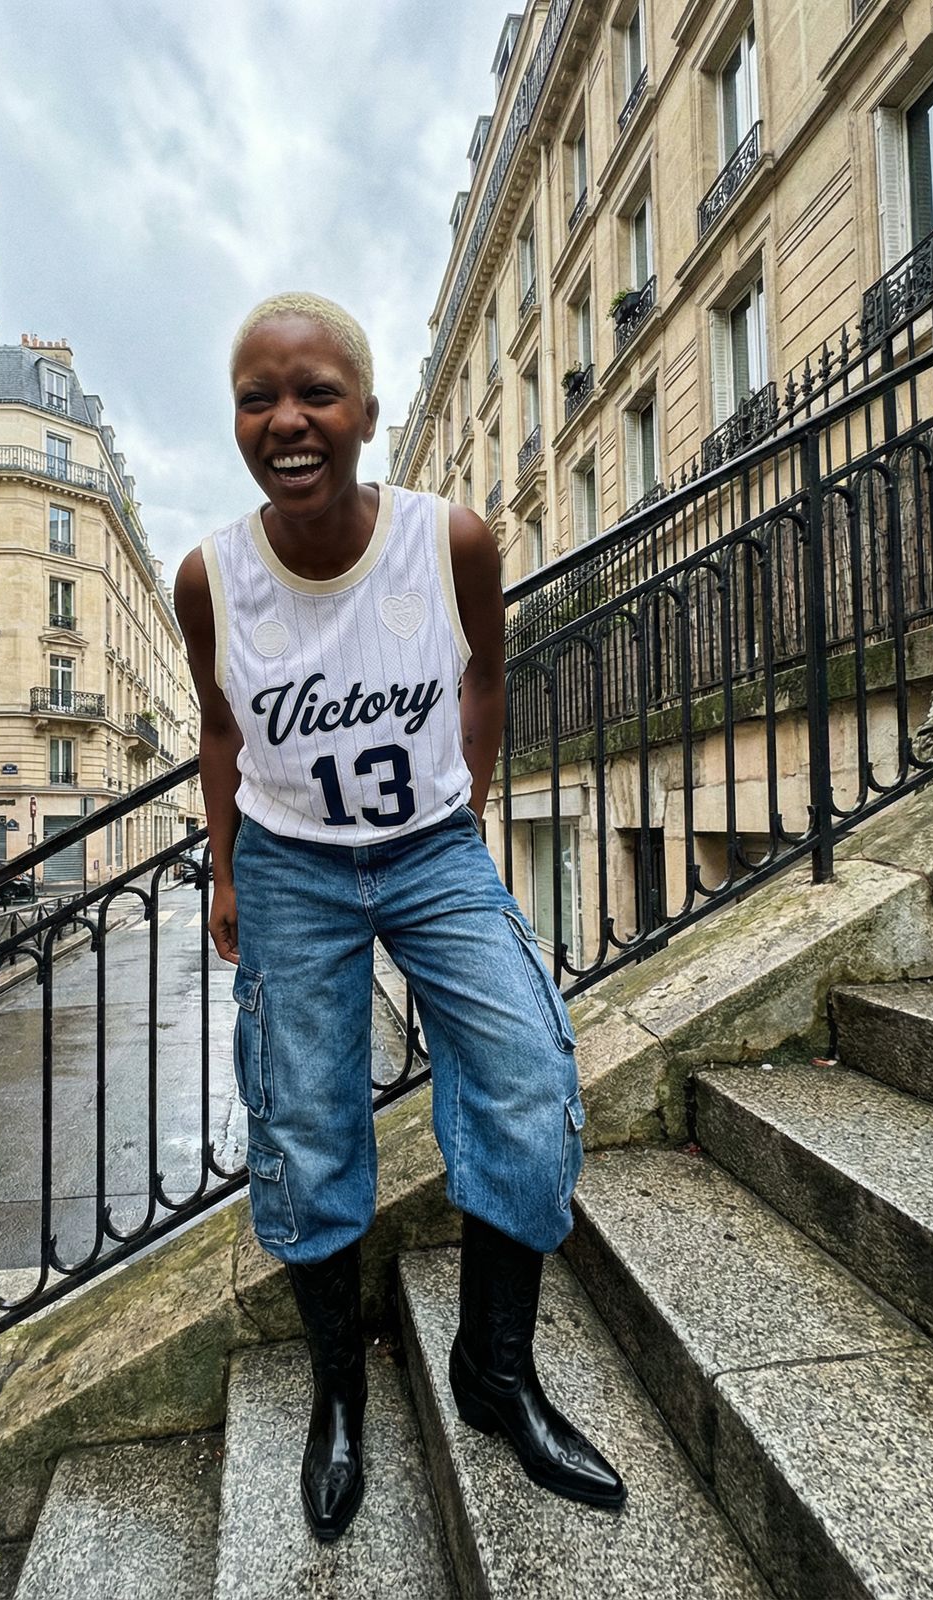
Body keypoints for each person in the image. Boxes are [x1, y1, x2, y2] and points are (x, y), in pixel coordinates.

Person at [174, 291, 624, 1542]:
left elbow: (485, 672)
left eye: (314, 391)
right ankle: (337, 1396)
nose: (287, 419)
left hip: (430, 851)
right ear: (236, 424)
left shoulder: (453, 540)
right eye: (257, 398)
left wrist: (461, 805)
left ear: (365, 413)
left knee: (527, 1078)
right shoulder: (211, 577)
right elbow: (220, 730)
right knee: (305, 1118)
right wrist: (223, 871)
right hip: (289, 866)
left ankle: (493, 1375)